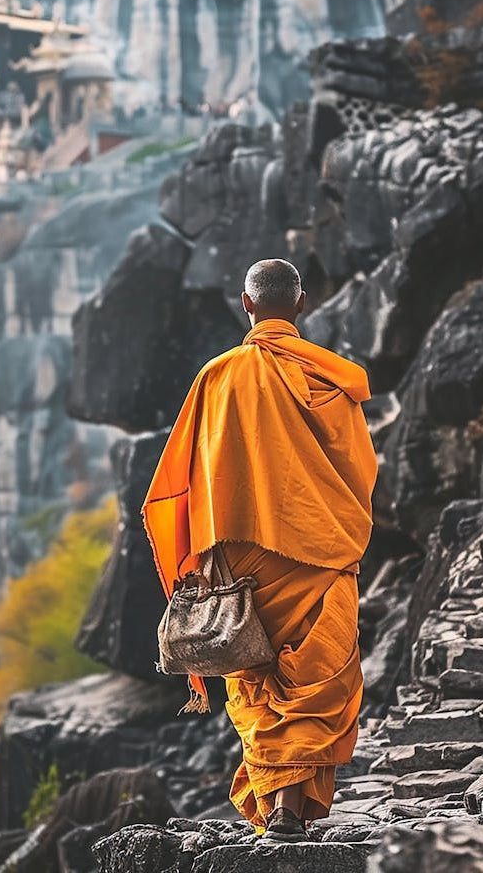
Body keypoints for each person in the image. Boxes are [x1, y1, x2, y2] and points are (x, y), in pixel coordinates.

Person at [142, 258, 377, 842]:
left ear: (246, 305)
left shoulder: (216, 378)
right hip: (316, 548)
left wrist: (199, 556)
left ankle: (279, 809)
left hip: (239, 557)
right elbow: (359, 471)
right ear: (300, 306)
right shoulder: (330, 380)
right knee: (317, 679)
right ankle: (291, 812)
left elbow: (186, 476)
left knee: (255, 681)